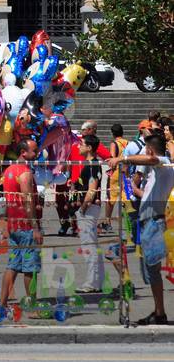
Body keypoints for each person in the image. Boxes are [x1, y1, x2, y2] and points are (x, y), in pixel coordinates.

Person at [109, 131, 174, 325]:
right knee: (149, 270)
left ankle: (160, 312)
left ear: (150, 149)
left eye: (146, 149)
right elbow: (143, 189)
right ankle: (158, 311)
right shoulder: (160, 169)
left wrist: (122, 158)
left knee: (152, 270)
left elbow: (151, 159)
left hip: (154, 222)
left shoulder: (162, 162)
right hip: (149, 221)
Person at [0, 138, 42, 311]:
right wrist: (36, 227)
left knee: (12, 266)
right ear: (23, 153)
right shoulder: (25, 173)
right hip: (25, 226)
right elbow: (27, 201)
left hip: (13, 225)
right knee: (30, 269)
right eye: (34, 150)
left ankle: (2, 304)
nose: (37, 153)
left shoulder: (9, 170)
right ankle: (32, 308)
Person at [73, 134, 105, 293]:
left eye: (81, 144)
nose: (79, 146)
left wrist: (83, 208)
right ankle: (97, 281)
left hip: (89, 209)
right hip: (90, 208)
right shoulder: (92, 164)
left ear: (89, 148)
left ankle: (92, 283)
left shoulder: (92, 165)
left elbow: (92, 189)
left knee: (88, 246)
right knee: (93, 246)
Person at [102, 123, 128, 232]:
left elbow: (112, 158)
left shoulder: (114, 143)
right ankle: (128, 221)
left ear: (112, 133)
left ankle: (107, 222)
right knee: (126, 197)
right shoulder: (127, 142)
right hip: (126, 171)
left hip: (116, 172)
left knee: (111, 198)